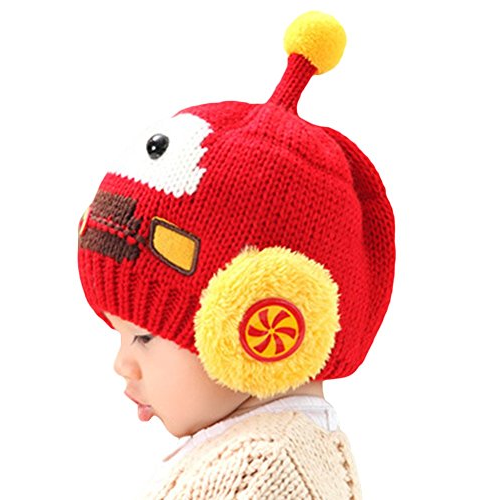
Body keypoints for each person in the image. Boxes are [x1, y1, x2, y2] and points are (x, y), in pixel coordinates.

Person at [77, 11, 395, 499]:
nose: (123, 364)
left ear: (256, 328)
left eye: (143, 336)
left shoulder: (261, 473)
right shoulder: (271, 447)